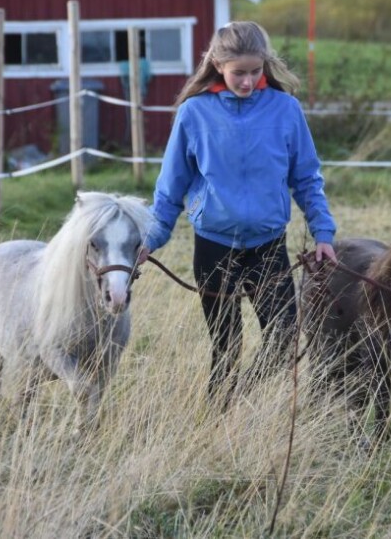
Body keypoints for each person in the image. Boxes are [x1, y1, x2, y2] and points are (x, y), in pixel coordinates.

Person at [139, 21, 337, 408]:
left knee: (283, 338)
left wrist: (323, 234)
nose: (247, 81)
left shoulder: (286, 110)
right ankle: (217, 419)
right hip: (214, 247)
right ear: (217, 63)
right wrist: (149, 238)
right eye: (238, 73)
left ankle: (242, 401)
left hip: (268, 247)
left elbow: (307, 179)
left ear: (266, 64)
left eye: (255, 71)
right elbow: (169, 189)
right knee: (226, 346)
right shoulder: (194, 114)